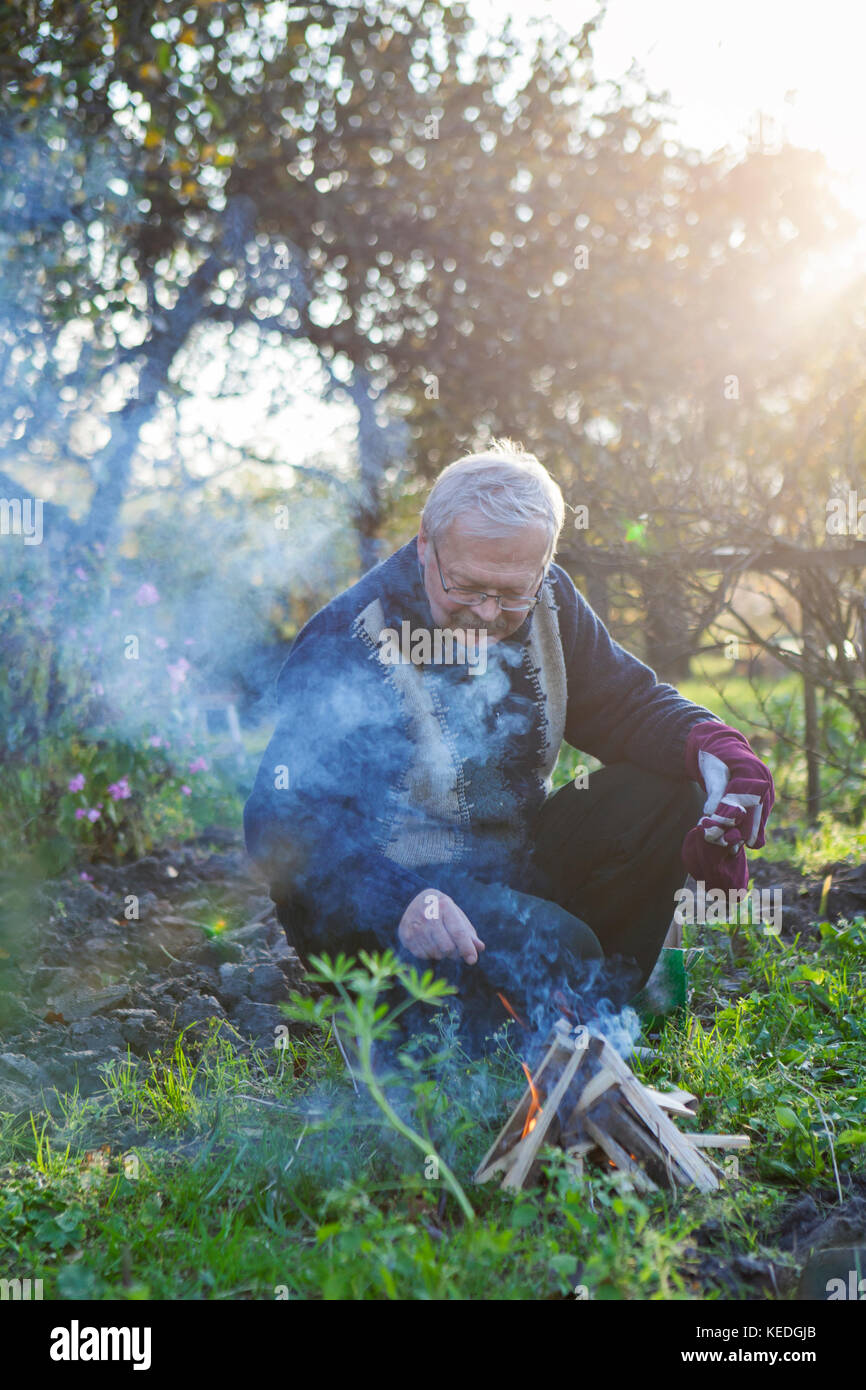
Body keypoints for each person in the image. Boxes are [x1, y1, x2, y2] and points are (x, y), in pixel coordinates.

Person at [244, 440, 774, 1053]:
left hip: (512, 864)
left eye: (512, 593)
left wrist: (717, 750)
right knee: (562, 944)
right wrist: (400, 899)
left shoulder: (551, 600)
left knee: (668, 792)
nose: (487, 613)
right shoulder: (348, 640)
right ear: (425, 543)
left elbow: (626, 702)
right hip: (394, 904)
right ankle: (487, 1017)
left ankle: (592, 1014)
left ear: (544, 566)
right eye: (466, 586)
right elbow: (278, 819)